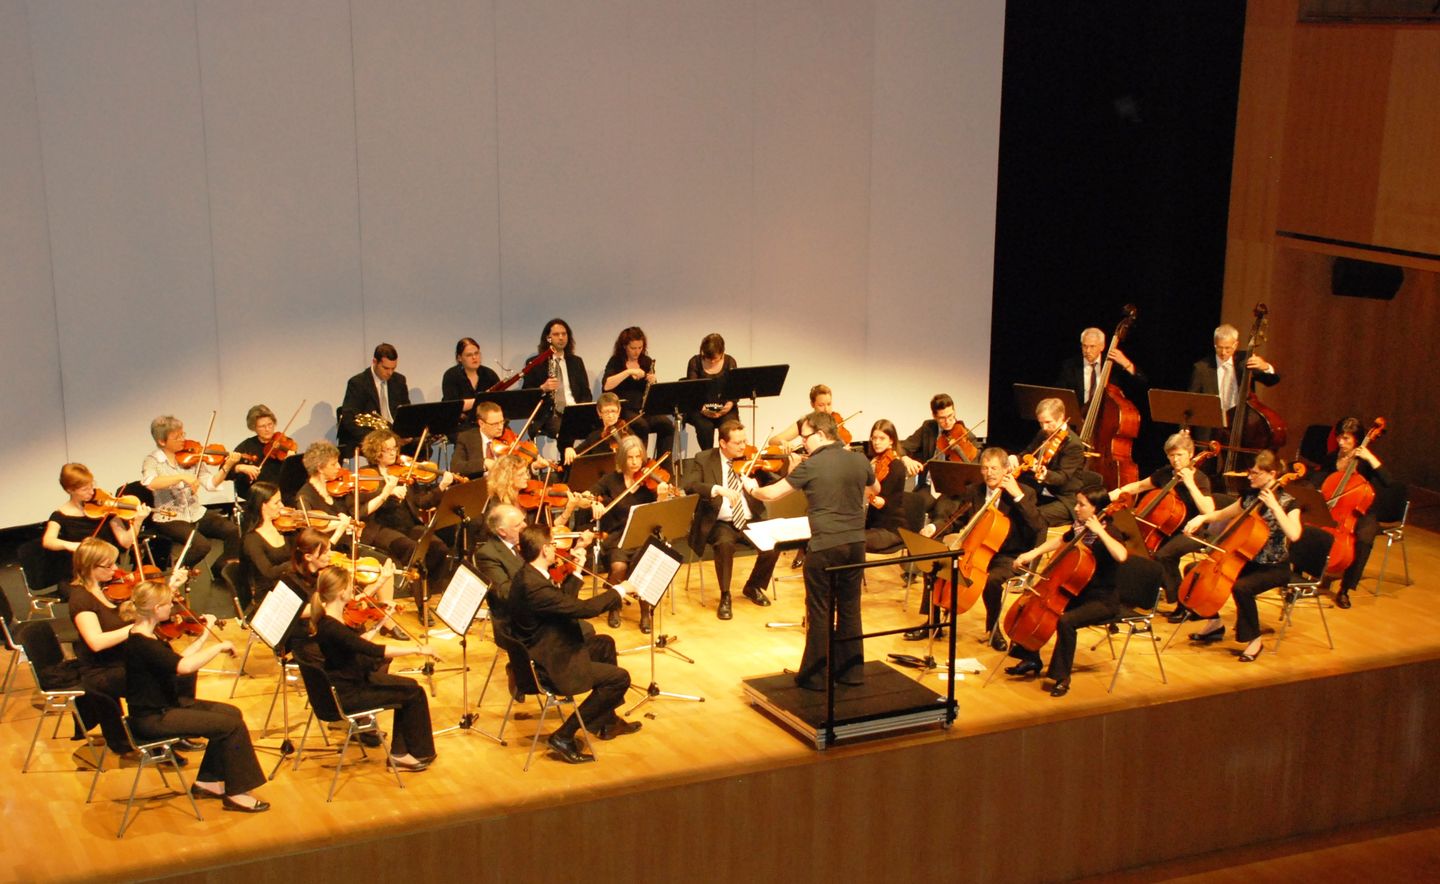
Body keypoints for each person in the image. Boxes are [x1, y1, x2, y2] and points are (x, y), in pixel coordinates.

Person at [747, 411, 877, 690]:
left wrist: (751, 488)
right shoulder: (858, 459)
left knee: (820, 611)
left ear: (820, 434)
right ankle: (851, 673)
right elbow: (874, 487)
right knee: (850, 608)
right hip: (856, 545)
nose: (801, 443)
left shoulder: (812, 465)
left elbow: (771, 494)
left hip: (825, 547)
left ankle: (816, 677)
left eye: (805, 437)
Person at [123, 582, 270, 812]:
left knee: (231, 713)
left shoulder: (146, 636)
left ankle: (209, 781)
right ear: (156, 608)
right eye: (168, 604)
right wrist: (217, 648)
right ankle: (237, 794)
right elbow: (184, 667)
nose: (172, 607)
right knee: (231, 726)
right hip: (153, 718)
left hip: (166, 707)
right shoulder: (143, 644)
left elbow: (176, 659)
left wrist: (205, 637)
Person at [508, 524, 636, 764]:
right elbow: (583, 610)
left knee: (604, 644)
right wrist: (618, 590)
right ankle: (564, 736)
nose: (556, 548)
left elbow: (562, 603)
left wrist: (576, 571)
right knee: (620, 678)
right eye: (553, 544)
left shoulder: (529, 575)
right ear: (545, 550)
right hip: (550, 665)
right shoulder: (535, 587)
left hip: (548, 648)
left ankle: (606, 721)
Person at [909, 447, 1048, 648]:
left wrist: (1017, 495)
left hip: (1008, 555)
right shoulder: (975, 491)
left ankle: (993, 629)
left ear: (1006, 470)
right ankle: (934, 622)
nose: (989, 473)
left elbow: (1038, 526)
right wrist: (933, 527)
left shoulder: (1025, 492)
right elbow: (956, 519)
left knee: (992, 581)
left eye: (994, 468)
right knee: (935, 565)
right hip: (976, 550)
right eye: (984, 468)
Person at [309, 565, 440, 771]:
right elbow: (375, 650)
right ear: (341, 592)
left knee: (411, 687)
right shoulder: (333, 628)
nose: (354, 590)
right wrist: (418, 649)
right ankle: (403, 755)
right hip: (349, 693)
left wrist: (380, 624)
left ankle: (403, 752)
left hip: (346, 683)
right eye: (351, 586)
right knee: (413, 693)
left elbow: (354, 643)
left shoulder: (328, 620)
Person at [1004, 487, 1130, 697]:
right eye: (1077, 503)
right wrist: (1032, 553)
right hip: (1075, 591)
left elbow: (1122, 555)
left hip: (1102, 599)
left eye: (1082, 505)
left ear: (1096, 508)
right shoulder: (1080, 526)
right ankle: (1031, 657)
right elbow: (1062, 540)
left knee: (1066, 621)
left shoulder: (1111, 532)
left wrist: (1099, 531)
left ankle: (1062, 677)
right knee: (1034, 608)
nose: (1076, 508)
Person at [1184, 449, 1303, 662]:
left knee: (1242, 588)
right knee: (1194, 570)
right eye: (1250, 472)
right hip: (1247, 560)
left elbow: (1294, 534)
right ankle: (1214, 624)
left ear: (1272, 474)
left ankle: (1254, 640)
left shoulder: (1288, 503)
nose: (1250, 477)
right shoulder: (1250, 497)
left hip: (1274, 566)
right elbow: (1222, 514)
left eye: (1255, 473)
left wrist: (1275, 507)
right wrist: (1201, 519)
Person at [682, 419, 783, 620]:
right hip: (719, 521)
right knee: (724, 543)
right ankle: (725, 595)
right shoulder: (704, 458)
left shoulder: (751, 460)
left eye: (744, 441)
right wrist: (716, 489)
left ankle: (753, 586)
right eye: (737, 443)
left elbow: (775, 482)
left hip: (748, 519)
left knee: (773, 544)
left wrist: (787, 468)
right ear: (723, 443)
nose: (743, 446)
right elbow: (689, 485)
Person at [1111, 433, 1216, 623]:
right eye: (1171, 455)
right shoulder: (1166, 473)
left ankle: (1182, 604)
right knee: (1134, 546)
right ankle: (1136, 593)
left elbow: (1208, 510)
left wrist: (1190, 484)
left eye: (1180, 455)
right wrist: (1117, 492)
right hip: (1165, 528)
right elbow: (1139, 486)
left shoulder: (1200, 479)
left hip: (1192, 531)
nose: (1175, 460)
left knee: (1164, 556)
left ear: (1191, 453)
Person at [141, 415, 244, 595]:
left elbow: (211, 484)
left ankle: (221, 568)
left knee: (233, 531)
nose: (183, 439)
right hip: (169, 517)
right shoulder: (153, 461)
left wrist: (227, 466)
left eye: (183, 434)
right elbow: (150, 482)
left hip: (196, 512)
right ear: (162, 441)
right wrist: (181, 476)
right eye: (177, 437)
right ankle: (175, 578)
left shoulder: (192, 457)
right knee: (201, 545)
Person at [587, 435, 672, 634]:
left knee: (642, 565)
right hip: (617, 537)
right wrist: (594, 502)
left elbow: (659, 515)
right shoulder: (610, 480)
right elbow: (590, 493)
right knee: (618, 567)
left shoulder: (650, 482)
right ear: (622, 459)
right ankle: (614, 606)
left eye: (638, 457)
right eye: (630, 457)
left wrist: (662, 496)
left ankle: (645, 612)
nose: (635, 462)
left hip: (643, 536)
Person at [358, 428, 455, 602]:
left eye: (395, 448)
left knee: (439, 548)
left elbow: (422, 502)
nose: (393, 452)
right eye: (387, 449)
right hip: (380, 528)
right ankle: (416, 594)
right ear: (376, 452)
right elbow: (361, 511)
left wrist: (441, 487)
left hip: (408, 525)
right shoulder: (366, 475)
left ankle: (429, 590)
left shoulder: (404, 470)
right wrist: (387, 492)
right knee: (412, 550)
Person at [66, 538, 139, 756]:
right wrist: (134, 628)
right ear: (90, 567)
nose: (115, 569)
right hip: (101, 670)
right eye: (108, 565)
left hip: (119, 660)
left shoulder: (105, 588)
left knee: (175, 669)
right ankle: (152, 733)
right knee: (153, 680)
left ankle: (167, 729)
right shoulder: (81, 599)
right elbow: (96, 642)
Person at [473, 503, 597, 627]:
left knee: (581, 626)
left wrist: (576, 550)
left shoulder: (522, 542)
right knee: (582, 628)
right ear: (502, 531)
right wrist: (543, 593)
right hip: (520, 619)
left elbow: (550, 568)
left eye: (523, 520)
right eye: (517, 525)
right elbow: (505, 593)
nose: (525, 526)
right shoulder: (487, 554)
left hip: (540, 606)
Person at [1315, 416, 1394, 609]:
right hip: (1335, 507)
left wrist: (1370, 458)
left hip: (1362, 509)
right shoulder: (1332, 457)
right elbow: (1318, 480)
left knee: (1365, 538)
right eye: (1339, 437)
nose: (1341, 442)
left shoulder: (1364, 461)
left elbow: (1388, 482)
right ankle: (1301, 578)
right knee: (1307, 524)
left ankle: (1345, 589)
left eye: (1346, 438)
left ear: (1357, 439)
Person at [42, 463, 146, 587]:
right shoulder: (60, 515)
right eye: (85, 489)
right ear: (70, 490)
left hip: (107, 571)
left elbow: (126, 542)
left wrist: (138, 521)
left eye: (92, 486)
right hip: (80, 574)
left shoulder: (105, 507)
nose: (91, 492)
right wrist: (71, 545)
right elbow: (48, 541)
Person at [1187, 323, 1279, 444]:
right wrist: (1185, 430)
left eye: (1228, 348)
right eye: (1219, 347)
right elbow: (1191, 402)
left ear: (1235, 345)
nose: (1223, 352)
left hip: (1241, 427)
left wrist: (1266, 367)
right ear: (1214, 344)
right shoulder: (1201, 368)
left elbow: (1271, 381)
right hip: (1210, 431)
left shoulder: (1245, 360)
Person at [601, 326, 674, 459]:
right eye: (633, 348)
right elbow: (606, 385)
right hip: (625, 410)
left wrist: (653, 381)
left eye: (640, 348)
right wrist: (629, 372)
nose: (637, 352)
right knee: (641, 425)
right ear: (624, 346)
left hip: (644, 409)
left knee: (667, 425)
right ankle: (641, 463)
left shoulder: (646, 361)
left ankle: (664, 465)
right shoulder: (616, 361)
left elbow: (653, 392)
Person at [522, 318, 592, 443]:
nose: (561, 338)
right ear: (548, 338)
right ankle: (568, 456)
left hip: (574, 410)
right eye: (556, 334)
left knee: (597, 430)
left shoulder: (576, 361)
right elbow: (526, 395)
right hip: (550, 414)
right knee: (566, 430)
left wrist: (581, 409)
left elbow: (586, 393)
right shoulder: (536, 363)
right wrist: (543, 388)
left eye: (564, 334)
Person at [1021, 398, 1087, 526]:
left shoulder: (1073, 444)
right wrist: (1017, 458)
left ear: (1061, 417)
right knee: (1016, 506)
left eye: (1048, 422)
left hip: (1064, 497)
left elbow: (1062, 477)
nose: (1044, 427)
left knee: (1033, 517)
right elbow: (1028, 452)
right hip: (1041, 491)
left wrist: (1045, 474)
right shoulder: (1043, 433)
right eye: (1041, 423)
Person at [338, 343, 411, 451]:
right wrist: (375, 440)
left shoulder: (399, 380)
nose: (390, 373)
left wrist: (407, 433)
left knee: (421, 446)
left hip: (395, 434)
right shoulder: (358, 383)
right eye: (386, 368)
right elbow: (349, 419)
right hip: (371, 435)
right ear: (375, 362)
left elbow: (406, 412)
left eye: (393, 368)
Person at [1055, 327, 1147, 411]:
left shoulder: (1113, 365)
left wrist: (1126, 363)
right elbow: (1060, 393)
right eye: (1084, 346)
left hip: (1108, 416)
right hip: (1080, 416)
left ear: (1102, 346)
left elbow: (1141, 384)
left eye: (1092, 346)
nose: (1087, 351)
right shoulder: (1070, 365)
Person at [238, 481, 292, 619]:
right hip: (270, 597)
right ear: (262, 505)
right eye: (276, 503)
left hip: (289, 586)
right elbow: (268, 572)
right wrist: (295, 564)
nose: (282, 506)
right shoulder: (252, 540)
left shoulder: (285, 528)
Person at [684, 332, 737, 450]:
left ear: (722, 353)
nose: (712, 361)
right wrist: (702, 408)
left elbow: (734, 389)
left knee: (730, 428)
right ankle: (708, 456)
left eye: (715, 358)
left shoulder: (730, 362)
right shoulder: (695, 362)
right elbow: (691, 391)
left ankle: (728, 456)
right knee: (705, 427)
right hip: (700, 407)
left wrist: (730, 404)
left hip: (725, 408)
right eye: (709, 358)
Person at [864, 420, 909, 553]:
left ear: (891, 441)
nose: (876, 442)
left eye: (882, 438)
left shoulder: (896, 465)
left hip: (891, 528)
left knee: (852, 541)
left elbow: (882, 502)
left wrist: (865, 491)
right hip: (874, 524)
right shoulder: (874, 462)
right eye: (874, 438)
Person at [230, 405, 289, 502]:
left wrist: (291, 460)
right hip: (257, 498)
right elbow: (226, 470)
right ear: (254, 428)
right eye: (262, 426)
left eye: (270, 424)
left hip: (283, 495)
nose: (267, 429)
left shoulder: (284, 443)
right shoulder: (247, 446)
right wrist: (240, 467)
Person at [441, 337, 501, 431]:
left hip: (488, 423)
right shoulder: (451, 376)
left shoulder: (489, 374)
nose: (474, 357)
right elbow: (452, 406)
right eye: (469, 355)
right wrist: (481, 400)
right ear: (459, 358)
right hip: (460, 424)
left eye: (476, 353)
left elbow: (500, 401)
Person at [562, 393, 634, 466]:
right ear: (599, 412)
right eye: (606, 412)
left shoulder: (626, 431)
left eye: (613, 411)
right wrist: (569, 449)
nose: (610, 415)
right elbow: (577, 451)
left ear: (619, 411)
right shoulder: (594, 436)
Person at [451, 401, 508, 479]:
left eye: (502, 422)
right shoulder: (466, 438)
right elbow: (456, 467)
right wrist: (483, 463)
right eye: (495, 424)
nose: (500, 427)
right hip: (479, 484)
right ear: (481, 423)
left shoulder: (507, 435)